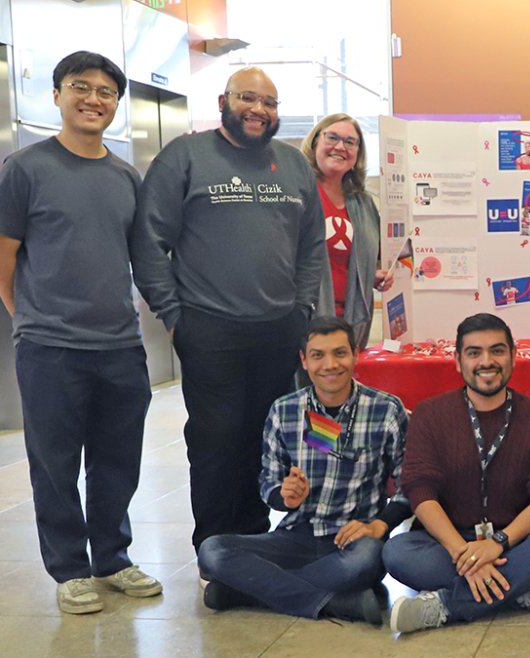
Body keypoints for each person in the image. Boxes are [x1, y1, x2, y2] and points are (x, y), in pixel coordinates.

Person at [0, 51, 161, 614]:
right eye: (80, 87)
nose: (93, 99)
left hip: (120, 345)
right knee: (54, 463)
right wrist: (30, 319)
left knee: (117, 461)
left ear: (116, 104)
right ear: (56, 95)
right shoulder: (26, 168)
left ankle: (112, 558)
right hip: (50, 348)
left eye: (107, 92)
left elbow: (141, 258)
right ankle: (69, 569)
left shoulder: (126, 176)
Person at [131, 67, 327, 553]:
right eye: (248, 98)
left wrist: (301, 309)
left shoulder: (294, 165)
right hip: (208, 327)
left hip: (279, 328)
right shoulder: (185, 156)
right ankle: (217, 549)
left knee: (264, 439)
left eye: (270, 103)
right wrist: (174, 316)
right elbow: (149, 241)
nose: (259, 110)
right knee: (216, 442)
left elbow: (311, 247)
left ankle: (254, 542)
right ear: (224, 100)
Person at [381, 313, 530, 634]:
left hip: (514, 540)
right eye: (474, 352)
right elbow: (419, 489)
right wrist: (462, 553)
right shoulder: (429, 414)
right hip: (448, 542)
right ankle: (522, 592)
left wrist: (499, 544)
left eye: (497, 351)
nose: (486, 361)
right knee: (397, 552)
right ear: (458, 361)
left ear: (513, 357)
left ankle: (446, 606)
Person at [196, 317, 407, 624]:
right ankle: (339, 602)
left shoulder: (386, 410)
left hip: (355, 539)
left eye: (340, 353)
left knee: (367, 562)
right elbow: (268, 481)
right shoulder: (284, 410)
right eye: (318, 355)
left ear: (356, 354)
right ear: (304, 361)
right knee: (212, 550)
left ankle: (243, 593)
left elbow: (410, 486)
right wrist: (284, 496)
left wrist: (378, 526)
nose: (330, 365)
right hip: (296, 536)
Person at [302, 114, 393, 350]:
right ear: (315, 143)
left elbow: (353, 261)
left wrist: (369, 275)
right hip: (304, 323)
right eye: (332, 137)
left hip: (351, 324)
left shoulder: (363, 203)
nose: (340, 147)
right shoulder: (297, 195)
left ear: (357, 154)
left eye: (350, 142)